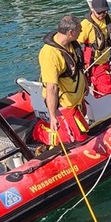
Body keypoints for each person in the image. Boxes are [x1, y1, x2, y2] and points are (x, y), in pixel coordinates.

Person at [36, 15, 88, 145]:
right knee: (77, 137)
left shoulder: (71, 45)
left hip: (76, 98)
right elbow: (52, 87)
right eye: (79, 30)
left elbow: (78, 68)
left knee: (81, 126)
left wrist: (85, 84)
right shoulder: (50, 55)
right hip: (65, 103)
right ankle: (38, 131)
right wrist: (53, 116)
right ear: (71, 32)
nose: (81, 32)